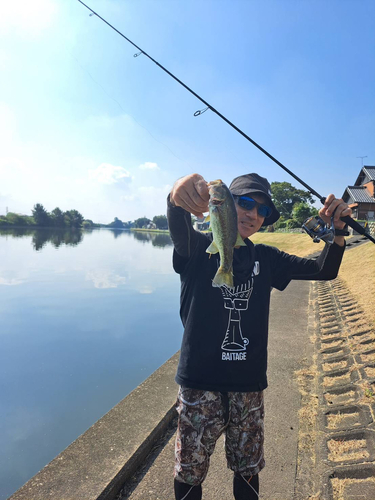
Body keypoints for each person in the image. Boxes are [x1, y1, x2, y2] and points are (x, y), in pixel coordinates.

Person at [167, 173, 352, 500]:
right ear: (221, 207)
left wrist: (338, 231)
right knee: (189, 472)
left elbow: (325, 269)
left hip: (248, 385)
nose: (253, 213)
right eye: (245, 202)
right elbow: (178, 217)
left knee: (248, 470)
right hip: (199, 383)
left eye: (262, 210)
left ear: (265, 221)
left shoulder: (266, 258)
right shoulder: (197, 248)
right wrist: (176, 196)